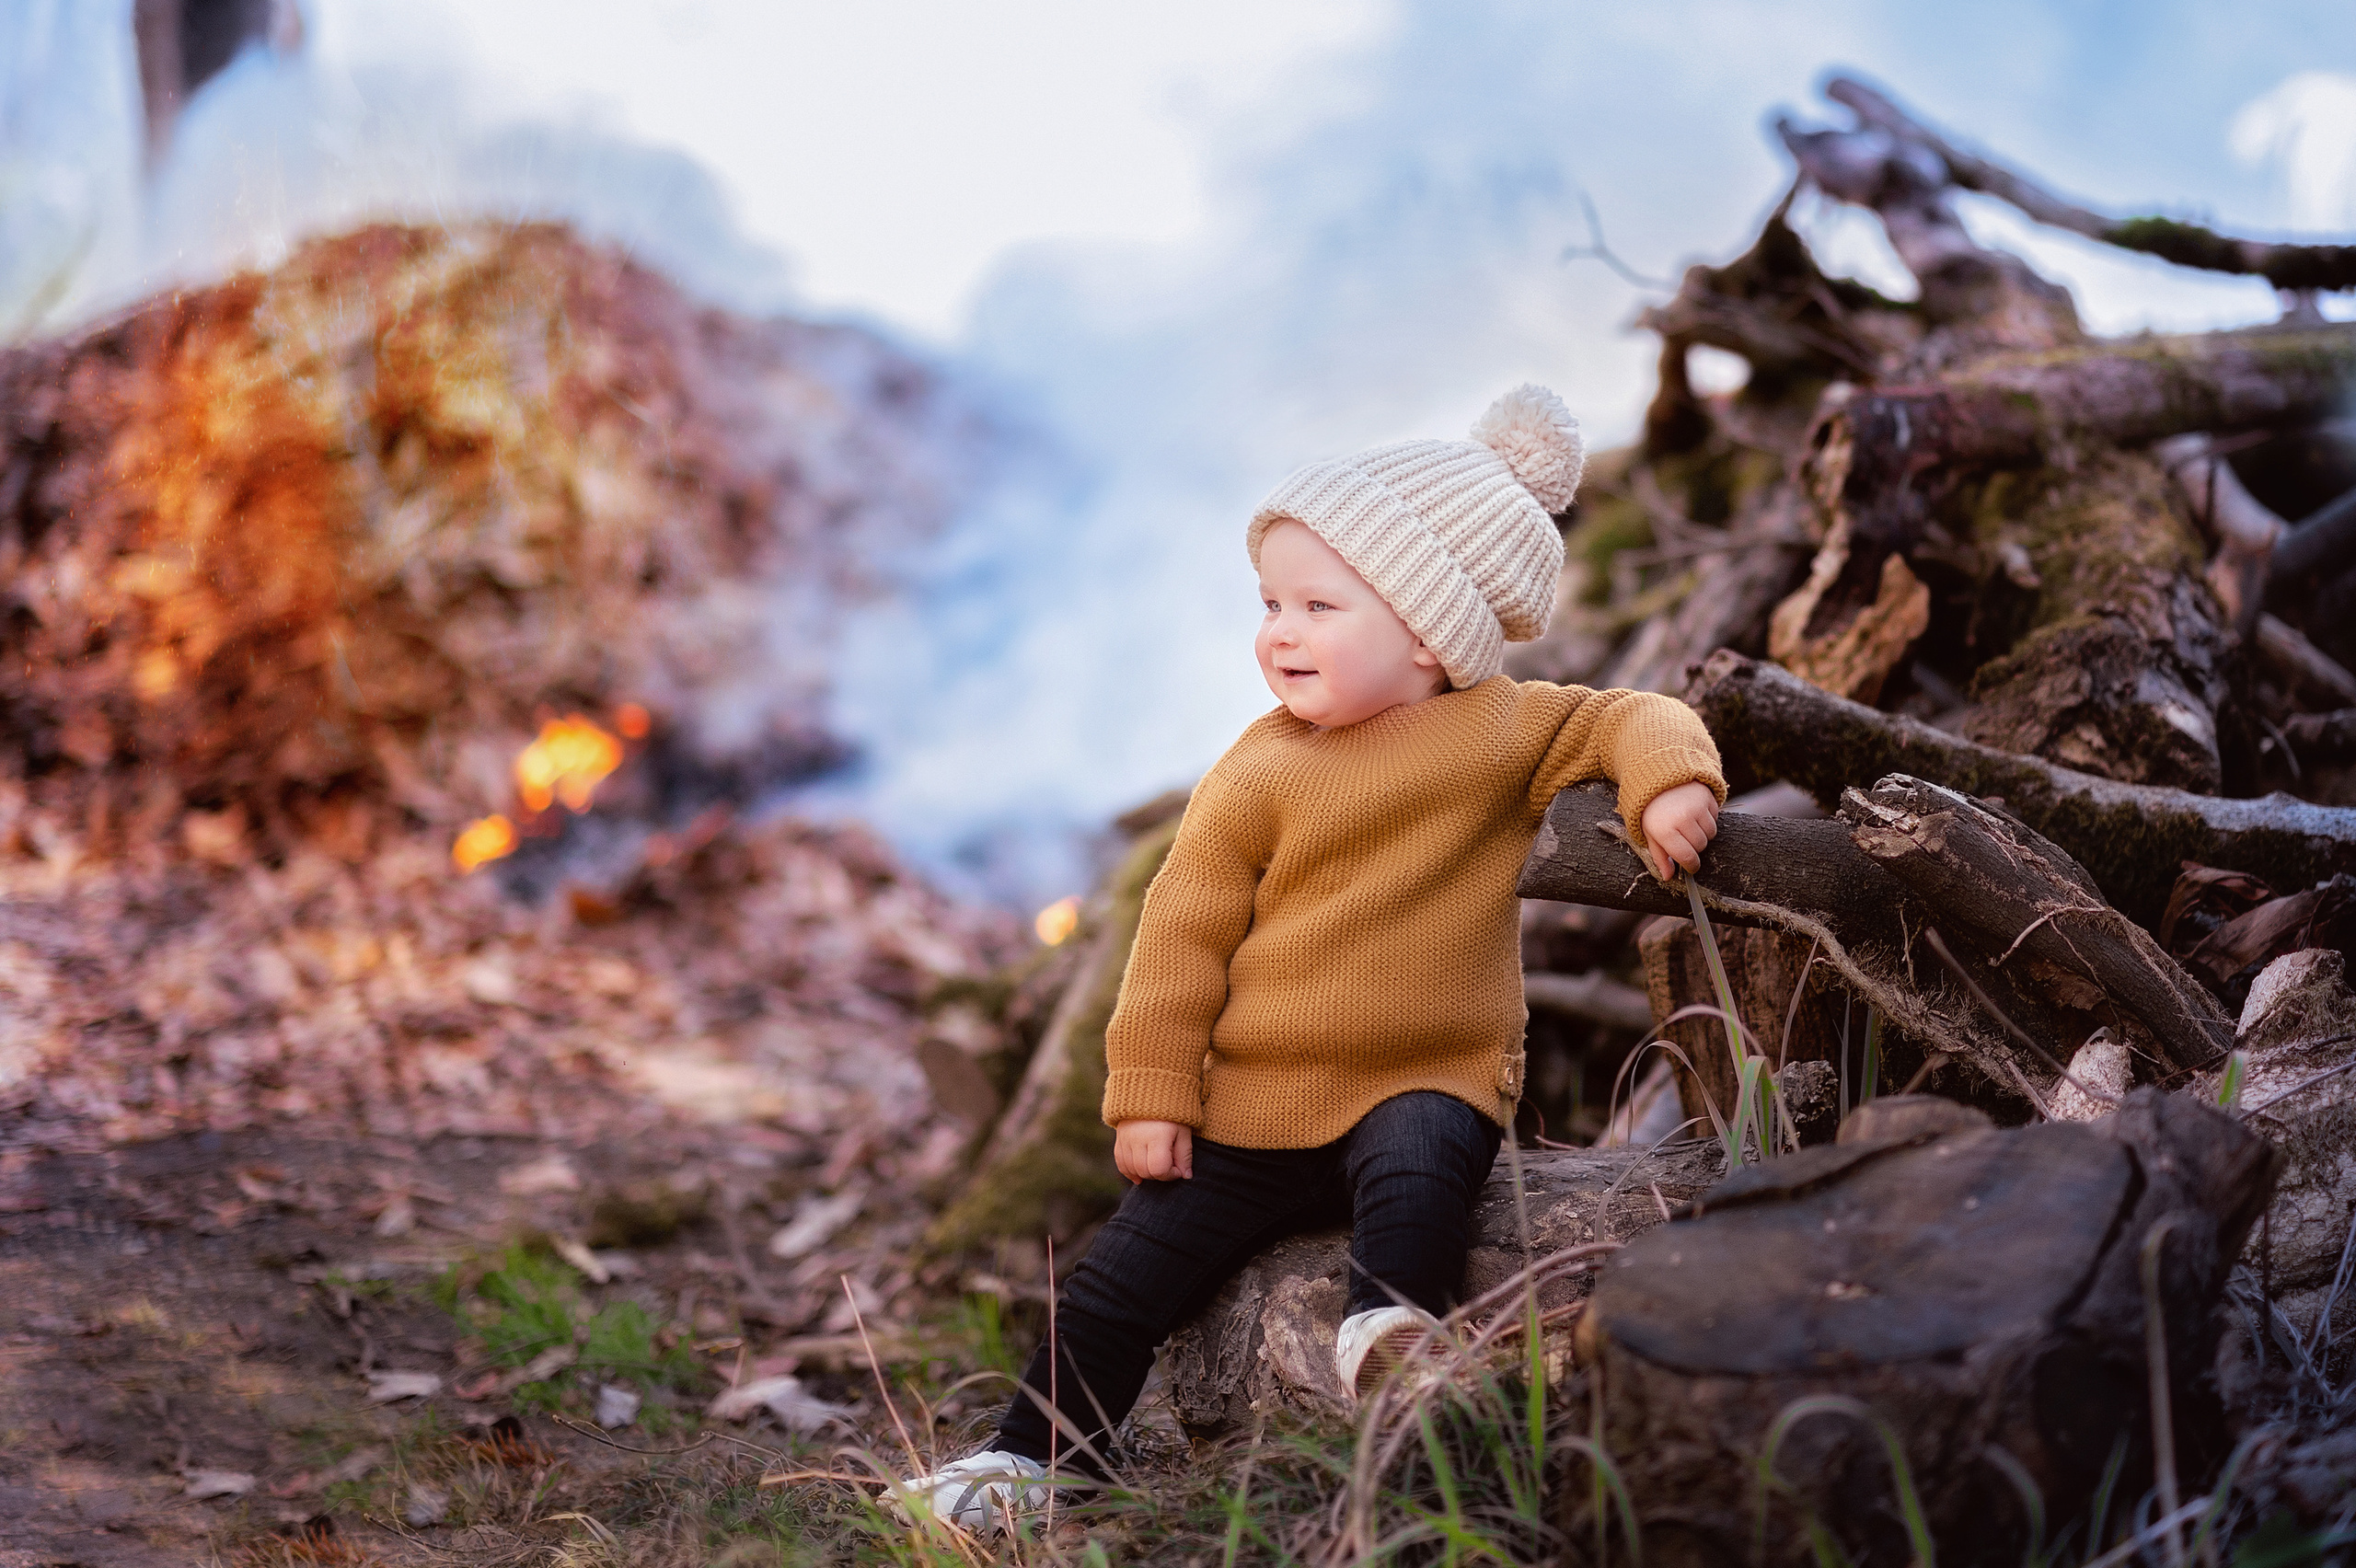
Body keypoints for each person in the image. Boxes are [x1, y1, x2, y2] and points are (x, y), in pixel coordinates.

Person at [899, 385, 1725, 1530]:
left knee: (1421, 1166)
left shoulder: (1503, 729)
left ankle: (1391, 1331)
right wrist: (1150, 1093)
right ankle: (1030, 1459)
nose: (1277, 630)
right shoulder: (1259, 768)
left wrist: (1671, 780)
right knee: (1115, 1280)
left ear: (1429, 634)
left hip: (1424, 1066)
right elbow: (1179, 939)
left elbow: (1631, 716)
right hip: (1253, 1095)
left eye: (1317, 604)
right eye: (1269, 601)